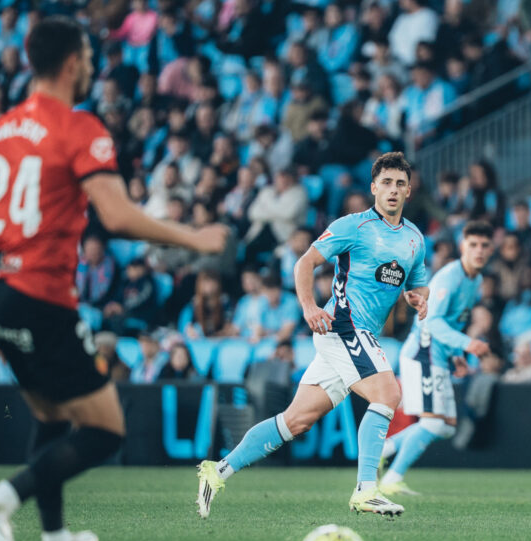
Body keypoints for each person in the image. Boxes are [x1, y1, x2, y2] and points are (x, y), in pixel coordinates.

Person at [0, 17, 227, 541]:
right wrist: (195, 239)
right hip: (42, 299)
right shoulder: (79, 127)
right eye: (88, 57)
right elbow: (115, 216)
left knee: (53, 417)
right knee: (106, 430)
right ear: (71, 62)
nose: (91, 67)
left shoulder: (0, 129)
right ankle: (0, 500)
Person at [196, 152, 429, 519]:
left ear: (409, 191)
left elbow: (417, 283)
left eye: (400, 183)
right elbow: (305, 262)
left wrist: (419, 299)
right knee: (388, 393)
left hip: (362, 335)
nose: (393, 190)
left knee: (296, 421)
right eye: (386, 182)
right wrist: (308, 307)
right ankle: (366, 491)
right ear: (373, 188)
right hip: (343, 327)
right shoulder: (353, 226)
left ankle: (217, 471)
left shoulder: (415, 238)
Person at [380, 221, 495, 495]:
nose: (479, 250)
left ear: (491, 249)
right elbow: (431, 322)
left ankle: (387, 448)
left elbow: (453, 322)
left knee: (445, 427)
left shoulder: (475, 280)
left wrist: (456, 353)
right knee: (433, 422)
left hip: (439, 356)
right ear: (462, 246)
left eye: (485, 245)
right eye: (473, 245)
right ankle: (393, 478)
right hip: (423, 354)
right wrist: (467, 344)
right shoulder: (449, 278)